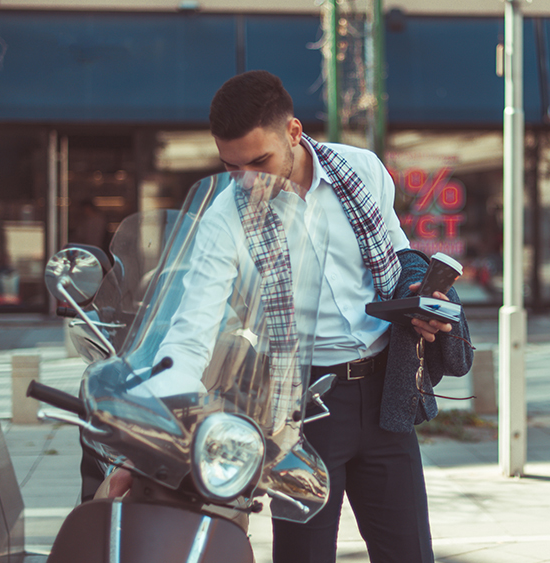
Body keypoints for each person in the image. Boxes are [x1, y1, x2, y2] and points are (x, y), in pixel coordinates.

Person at [91, 70, 474, 562]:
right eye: (233, 168)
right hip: (301, 407)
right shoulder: (224, 219)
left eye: (259, 161)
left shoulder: (362, 170)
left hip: (385, 394)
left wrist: (419, 299)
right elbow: (190, 336)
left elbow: (398, 255)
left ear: (294, 132)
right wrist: (145, 437)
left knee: (408, 553)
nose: (249, 180)